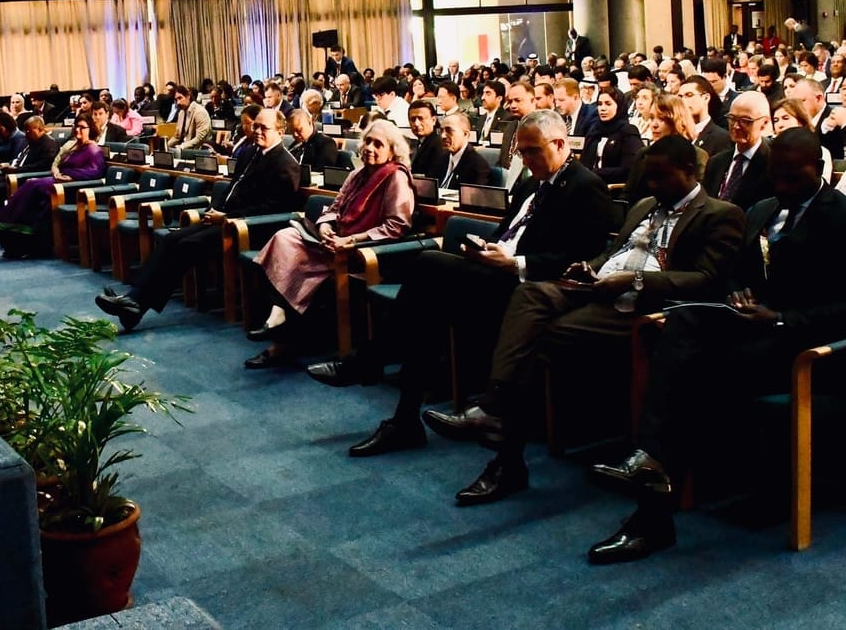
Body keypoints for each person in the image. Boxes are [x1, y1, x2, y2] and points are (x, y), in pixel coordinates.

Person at [425, 135, 744, 507]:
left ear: (689, 172)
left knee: (538, 337)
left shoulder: (720, 214)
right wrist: (589, 268)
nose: (653, 186)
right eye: (649, 178)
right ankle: (496, 411)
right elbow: (614, 251)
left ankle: (502, 442)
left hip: (642, 306)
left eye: (661, 178)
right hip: (597, 288)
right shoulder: (644, 205)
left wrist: (635, 280)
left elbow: (705, 278)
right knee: (529, 294)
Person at [586, 129, 846, 564]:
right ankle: (651, 464)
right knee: (683, 319)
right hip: (752, 325)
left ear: (818, 170)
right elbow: (734, 272)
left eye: (792, 179)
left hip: (806, 344)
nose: (781, 187)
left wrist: (781, 317)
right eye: (775, 177)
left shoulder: (842, 218)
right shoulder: (764, 208)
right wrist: (738, 293)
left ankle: (651, 502)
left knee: (690, 377)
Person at [307, 110, 615, 457]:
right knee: (430, 309)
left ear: (560, 144)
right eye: (522, 152)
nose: (525, 161)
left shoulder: (586, 186)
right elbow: (507, 232)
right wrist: (486, 248)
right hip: (495, 274)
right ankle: (403, 418)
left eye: (532, 152)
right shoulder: (531, 183)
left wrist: (516, 262)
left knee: (428, 265)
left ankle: (370, 365)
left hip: (530, 288)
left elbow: (583, 256)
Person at [94, 109, 301, 330]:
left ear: (280, 130)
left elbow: (275, 208)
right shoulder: (250, 153)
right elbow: (233, 188)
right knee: (170, 240)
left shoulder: (285, 164)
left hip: (248, 228)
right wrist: (216, 211)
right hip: (223, 219)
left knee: (187, 245)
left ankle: (136, 305)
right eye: (256, 126)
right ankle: (134, 302)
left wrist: (227, 217)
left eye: (264, 128)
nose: (257, 131)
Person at [244, 120, 415, 367]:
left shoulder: (395, 177)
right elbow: (334, 209)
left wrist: (351, 240)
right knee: (284, 238)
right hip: (336, 243)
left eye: (378, 144)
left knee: (298, 264)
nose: (370, 148)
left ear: (392, 151)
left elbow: (396, 225)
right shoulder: (358, 174)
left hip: (362, 254)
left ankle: (280, 341)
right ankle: (278, 316)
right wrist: (325, 226)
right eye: (367, 141)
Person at [0, 115, 105, 256]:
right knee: (35, 192)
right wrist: (56, 171)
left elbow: (95, 172)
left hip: (72, 186)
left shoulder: (94, 149)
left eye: (82, 127)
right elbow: (57, 163)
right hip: (58, 180)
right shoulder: (73, 146)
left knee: (33, 185)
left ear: (91, 129)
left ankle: (3, 220)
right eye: (76, 126)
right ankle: (16, 239)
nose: (78, 130)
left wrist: (71, 176)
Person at [581, 89, 645, 184]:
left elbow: (629, 169)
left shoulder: (628, 131)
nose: (602, 108)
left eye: (608, 104)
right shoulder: (594, 130)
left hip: (613, 188)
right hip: (588, 185)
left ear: (619, 106)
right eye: (599, 104)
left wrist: (595, 173)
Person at [439, 111, 492, 189]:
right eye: (441, 131)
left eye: (449, 130)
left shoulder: (478, 166)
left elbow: (474, 198)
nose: (443, 136)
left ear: (466, 134)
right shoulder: (440, 159)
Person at [287, 108, 339, 172]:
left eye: (299, 130)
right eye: (292, 131)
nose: (295, 134)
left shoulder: (326, 144)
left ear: (310, 123)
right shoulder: (294, 146)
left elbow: (321, 171)